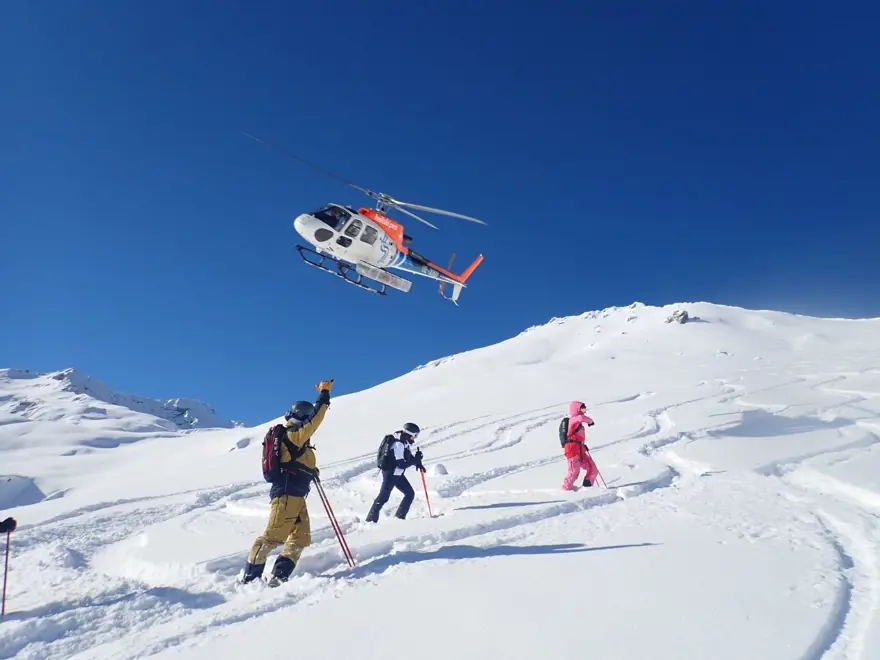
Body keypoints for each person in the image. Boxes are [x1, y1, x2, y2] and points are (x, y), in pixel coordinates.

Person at [238, 379, 334, 587]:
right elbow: (316, 420)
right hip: (287, 493)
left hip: (297, 495)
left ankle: (279, 576)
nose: (309, 416)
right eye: (306, 413)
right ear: (299, 415)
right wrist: (324, 396)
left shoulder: (297, 440)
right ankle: (250, 580)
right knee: (272, 537)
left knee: (301, 537)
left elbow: (295, 461)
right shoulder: (293, 434)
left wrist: (310, 470)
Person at [366, 422, 425, 523]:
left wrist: (418, 463)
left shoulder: (404, 442)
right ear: (409, 434)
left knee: (409, 493)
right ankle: (370, 520)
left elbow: (408, 457)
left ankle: (399, 517)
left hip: (397, 473)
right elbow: (401, 464)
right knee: (383, 497)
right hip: (390, 474)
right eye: (415, 435)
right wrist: (415, 460)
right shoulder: (398, 444)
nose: (415, 438)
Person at [562, 400, 597, 490]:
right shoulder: (573, 419)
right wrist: (590, 422)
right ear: (577, 409)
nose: (584, 410)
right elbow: (581, 418)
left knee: (592, 468)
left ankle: (587, 487)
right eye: (582, 408)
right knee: (574, 472)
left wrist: (582, 445)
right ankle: (565, 490)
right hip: (572, 449)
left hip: (580, 449)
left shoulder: (579, 424)